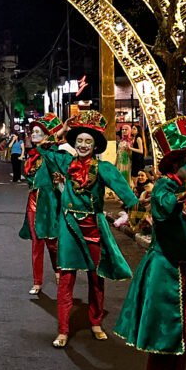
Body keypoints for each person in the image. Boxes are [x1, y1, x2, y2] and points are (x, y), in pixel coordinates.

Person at [114, 117, 186, 370]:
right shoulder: (165, 188)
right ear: (178, 163)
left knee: (182, 337)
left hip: (184, 272)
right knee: (164, 338)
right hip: (164, 272)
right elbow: (164, 209)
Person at [44, 110, 138, 348]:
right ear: (73, 143)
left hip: (94, 227)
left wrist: (131, 212)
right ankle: (63, 330)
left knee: (96, 278)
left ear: (96, 145)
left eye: (88, 141)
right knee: (66, 279)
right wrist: (62, 130)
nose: (83, 145)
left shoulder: (105, 168)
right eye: (79, 141)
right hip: (69, 227)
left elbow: (128, 195)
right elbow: (44, 148)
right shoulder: (66, 161)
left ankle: (95, 321)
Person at [18, 114, 67, 296]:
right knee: (36, 244)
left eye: (38, 132)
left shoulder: (53, 154)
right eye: (33, 132)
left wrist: (59, 133)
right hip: (33, 203)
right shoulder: (32, 155)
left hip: (50, 204)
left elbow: (49, 152)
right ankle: (37, 282)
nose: (33, 134)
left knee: (52, 243)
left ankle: (58, 271)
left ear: (47, 135)